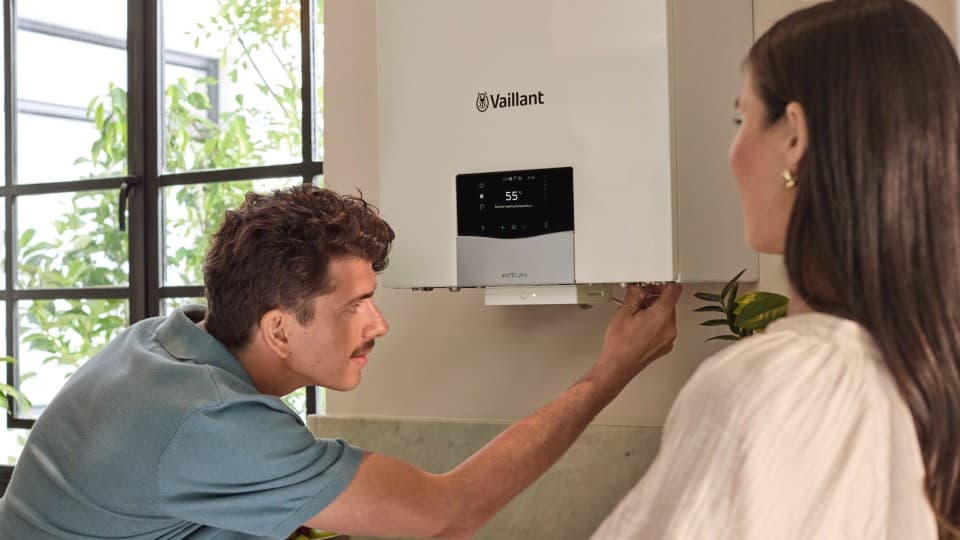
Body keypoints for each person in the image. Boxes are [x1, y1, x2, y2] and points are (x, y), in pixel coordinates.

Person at [0, 184, 682, 539]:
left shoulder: (156, 343)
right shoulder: (211, 420)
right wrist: (611, 371)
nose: (377, 324)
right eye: (354, 305)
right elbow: (452, 513)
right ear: (278, 330)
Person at [592, 1, 960, 538]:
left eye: (740, 119)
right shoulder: (927, 373)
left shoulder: (768, 389)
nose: (732, 151)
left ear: (794, 136)